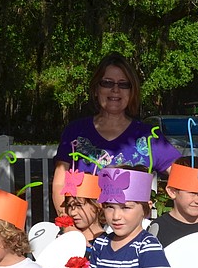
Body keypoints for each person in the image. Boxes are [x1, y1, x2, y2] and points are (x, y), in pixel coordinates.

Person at [51, 52, 180, 212]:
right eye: (107, 83)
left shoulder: (148, 136)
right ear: (96, 89)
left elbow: (183, 176)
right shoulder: (75, 131)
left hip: (132, 228)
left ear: (132, 92)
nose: (115, 90)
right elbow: (60, 184)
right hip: (82, 226)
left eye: (123, 84)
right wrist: (67, 223)